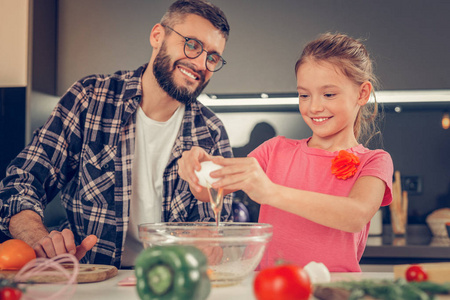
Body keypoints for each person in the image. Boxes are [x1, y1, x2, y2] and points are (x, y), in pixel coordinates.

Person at [0, 0, 233, 268]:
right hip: (89, 277)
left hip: (172, 282)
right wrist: (38, 238)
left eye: (212, 57)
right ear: (157, 36)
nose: (201, 63)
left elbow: (215, 224)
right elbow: (22, 181)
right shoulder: (90, 99)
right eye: (192, 44)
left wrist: (208, 238)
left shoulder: (211, 132)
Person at [178, 33, 393, 272]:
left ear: (362, 94)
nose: (313, 107)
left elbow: (356, 215)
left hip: (333, 292)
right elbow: (209, 191)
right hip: (272, 288)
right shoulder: (274, 150)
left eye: (329, 94)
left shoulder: (374, 161)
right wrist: (198, 169)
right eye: (304, 95)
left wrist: (270, 192)